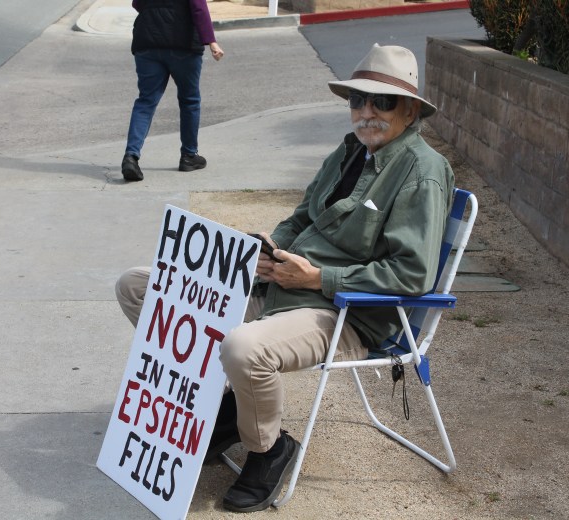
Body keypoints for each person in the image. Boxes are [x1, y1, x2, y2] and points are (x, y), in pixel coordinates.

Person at [115, 44, 455, 512]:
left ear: (412, 109)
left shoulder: (422, 172)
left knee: (243, 347)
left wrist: (318, 278)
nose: (366, 111)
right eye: (358, 99)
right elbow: (301, 218)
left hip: (347, 312)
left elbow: (412, 275)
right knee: (138, 286)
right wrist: (269, 248)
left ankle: (269, 450)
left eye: (383, 101)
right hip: (283, 285)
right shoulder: (350, 149)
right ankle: (233, 410)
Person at [121, 0, 224, 182]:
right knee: (189, 101)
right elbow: (198, 8)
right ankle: (189, 156)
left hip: (148, 41)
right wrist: (211, 41)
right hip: (182, 43)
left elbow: (137, 4)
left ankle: (131, 156)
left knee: (145, 102)